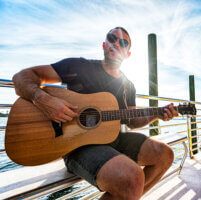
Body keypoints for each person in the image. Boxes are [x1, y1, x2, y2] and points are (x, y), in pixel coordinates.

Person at [12, 27, 178, 200]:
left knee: (165, 155)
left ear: (128, 54)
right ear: (104, 44)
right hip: (76, 145)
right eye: (111, 38)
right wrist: (44, 100)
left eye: (123, 43)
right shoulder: (79, 67)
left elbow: (132, 121)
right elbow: (22, 77)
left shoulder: (128, 85)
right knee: (132, 178)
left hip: (115, 139)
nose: (115, 44)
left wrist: (157, 114)